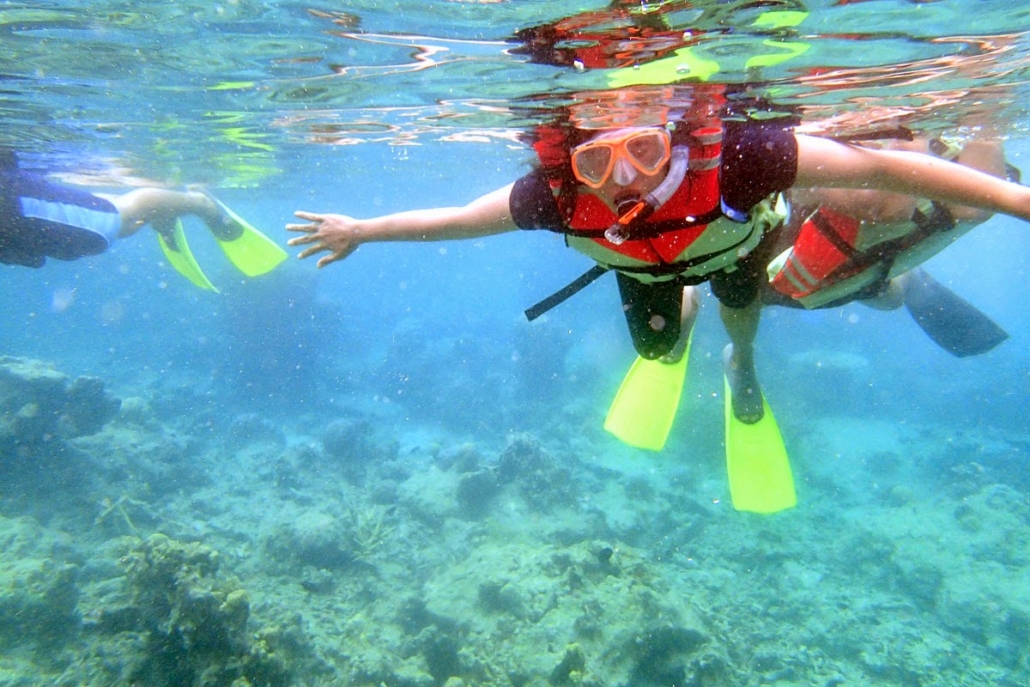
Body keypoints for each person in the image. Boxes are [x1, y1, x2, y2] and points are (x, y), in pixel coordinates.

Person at [285, 89, 1030, 428]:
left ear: (676, 140)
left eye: (644, 149)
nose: (627, 179)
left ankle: (741, 363)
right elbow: (454, 220)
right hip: (646, 275)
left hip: (737, 249)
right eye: (598, 161)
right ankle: (689, 311)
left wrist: (1019, 201)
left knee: (744, 326)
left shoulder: (742, 161)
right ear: (572, 161)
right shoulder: (556, 199)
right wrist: (362, 228)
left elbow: (882, 169)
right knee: (661, 348)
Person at [1, 149, 285, 289]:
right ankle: (164, 208)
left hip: (13, 205)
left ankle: (199, 204)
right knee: (106, 222)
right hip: (13, 214)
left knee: (119, 219)